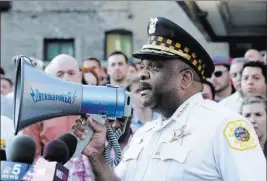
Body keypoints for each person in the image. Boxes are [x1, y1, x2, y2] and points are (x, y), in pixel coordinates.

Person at [71, 17, 266, 181]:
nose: (142, 75)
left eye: (154, 66)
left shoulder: (224, 126)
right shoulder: (143, 134)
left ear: (186, 78)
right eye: (143, 66)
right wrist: (97, 157)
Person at [22, 54, 82, 159]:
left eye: (71, 73)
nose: (66, 79)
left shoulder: (94, 106)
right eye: (60, 74)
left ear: (80, 76)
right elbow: (32, 156)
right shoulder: (36, 110)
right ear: (49, 78)